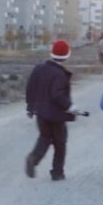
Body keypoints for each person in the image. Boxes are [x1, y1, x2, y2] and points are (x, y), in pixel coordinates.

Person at [25, 39, 79, 181]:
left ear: (51, 53)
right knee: (60, 144)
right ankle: (57, 172)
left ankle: (33, 158)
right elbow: (57, 95)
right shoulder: (60, 74)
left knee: (44, 138)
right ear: (67, 55)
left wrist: (30, 107)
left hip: (41, 113)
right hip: (56, 115)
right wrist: (70, 107)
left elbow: (30, 88)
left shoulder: (38, 69)